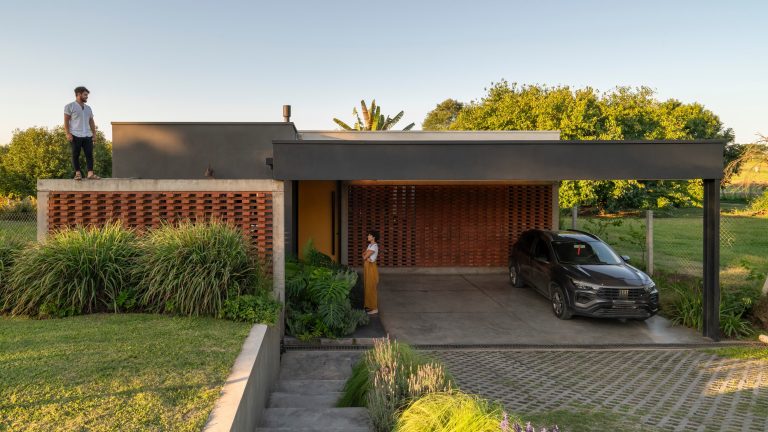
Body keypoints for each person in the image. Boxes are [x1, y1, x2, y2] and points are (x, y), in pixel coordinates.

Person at [64, 86, 100, 180]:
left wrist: (94, 134)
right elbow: (66, 121)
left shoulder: (88, 108)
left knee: (89, 154)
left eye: (87, 95)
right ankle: (78, 173)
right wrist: (68, 133)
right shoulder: (69, 106)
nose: (87, 97)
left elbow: (91, 121)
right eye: (85, 95)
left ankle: (90, 174)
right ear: (78, 94)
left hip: (88, 135)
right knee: (75, 154)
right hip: (75, 134)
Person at [362, 230, 380, 315]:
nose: (368, 236)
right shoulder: (370, 245)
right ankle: (369, 305)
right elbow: (364, 255)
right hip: (367, 266)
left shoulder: (374, 246)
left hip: (371, 267)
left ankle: (374, 308)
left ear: (373, 237)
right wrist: (366, 257)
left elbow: (365, 256)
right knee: (367, 286)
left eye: (369, 235)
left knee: (371, 287)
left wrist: (366, 257)